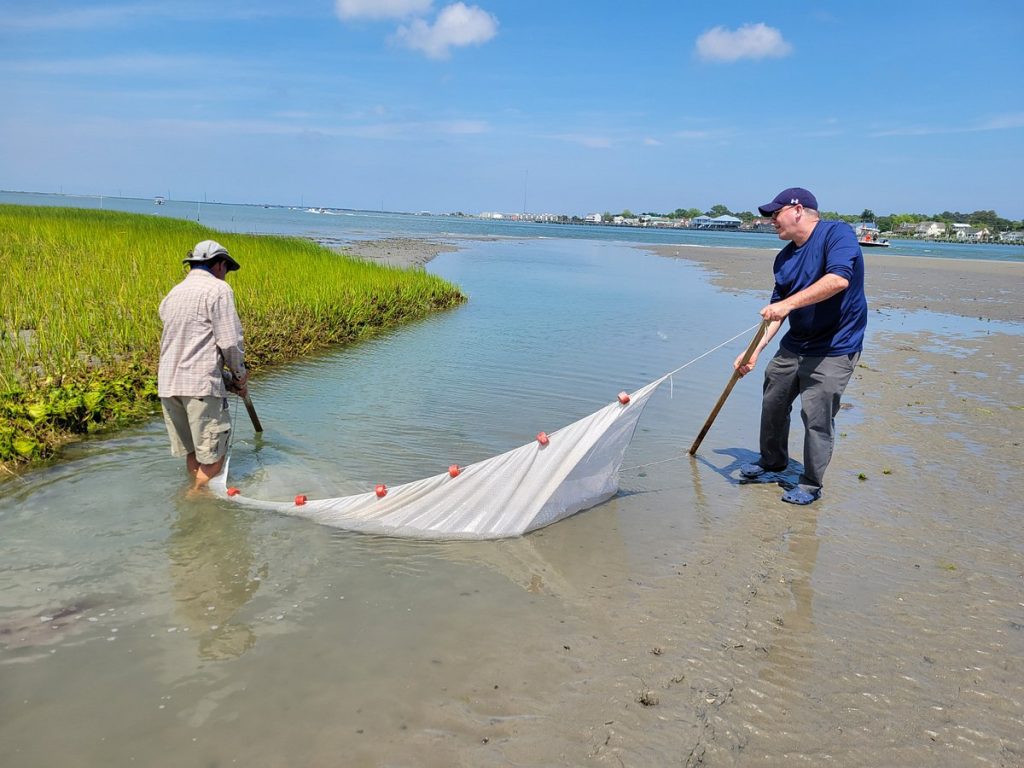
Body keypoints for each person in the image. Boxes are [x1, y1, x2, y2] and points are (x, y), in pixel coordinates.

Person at [734, 188, 867, 505]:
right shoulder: (783, 259)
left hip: (836, 346)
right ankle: (773, 461)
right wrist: (753, 351)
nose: (770, 221)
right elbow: (776, 311)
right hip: (795, 345)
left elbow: (838, 280)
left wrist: (787, 305)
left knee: (817, 417)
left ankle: (810, 484)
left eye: (774, 214)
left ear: (797, 209)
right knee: (773, 401)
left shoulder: (836, 233)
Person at [158, 240, 249, 489]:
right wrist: (240, 375)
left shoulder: (173, 294)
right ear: (219, 265)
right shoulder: (219, 290)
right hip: (200, 387)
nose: (226, 275)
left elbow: (191, 347)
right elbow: (229, 341)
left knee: (195, 454)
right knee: (213, 460)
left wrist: (228, 382)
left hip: (168, 386)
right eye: (226, 269)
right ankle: (197, 509)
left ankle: (194, 496)